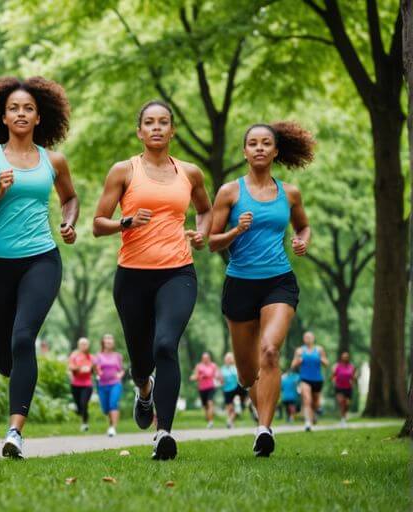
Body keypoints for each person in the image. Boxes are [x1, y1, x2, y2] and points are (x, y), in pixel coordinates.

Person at [92, 100, 212, 460]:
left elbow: (205, 210)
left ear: (172, 130)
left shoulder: (190, 173)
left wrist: (202, 232)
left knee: (165, 346)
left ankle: (164, 433)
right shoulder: (123, 171)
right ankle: (144, 389)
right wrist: (125, 222)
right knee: (142, 361)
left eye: (163, 122)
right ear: (139, 131)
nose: (157, 128)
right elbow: (98, 223)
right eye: (149, 122)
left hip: (178, 272)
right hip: (132, 276)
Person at [0, 75, 79, 458]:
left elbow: (69, 198)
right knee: (5, 355)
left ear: (39, 117)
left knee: (22, 339)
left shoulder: (54, 160)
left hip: (41, 259)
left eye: (28, 108)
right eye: (14, 108)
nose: (21, 113)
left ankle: (15, 431)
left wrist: (68, 222)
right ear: (2, 116)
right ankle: (9, 369)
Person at [209, 120, 313, 455]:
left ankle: (264, 429)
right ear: (244, 151)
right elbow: (211, 242)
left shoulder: (290, 193)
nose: (259, 148)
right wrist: (235, 231)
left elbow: (304, 226)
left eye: (266, 143)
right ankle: (260, 415)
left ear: (276, 150)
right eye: (253, 143)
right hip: (240, 284)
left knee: (270, 350)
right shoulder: (230, 192)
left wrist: (301, 240)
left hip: (278, 282)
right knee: (245, 374)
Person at [291, 332, 328, 432]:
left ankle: (314, 415)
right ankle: (308, 422)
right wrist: (298, 360)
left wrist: (321, 359)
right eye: (306, 337)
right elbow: (293, 365)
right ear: (304, 339)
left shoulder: (319, 349)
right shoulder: (300, 350)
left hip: (317, 379)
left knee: (315, 403)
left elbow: (326, 363)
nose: (308, 339)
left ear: (313, 338)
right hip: (304, 379)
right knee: (307, 399)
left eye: (310, 337)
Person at [95, 334, 125, 437]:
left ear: (113, 343)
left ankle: (113, 428)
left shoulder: (118, 356)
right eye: (106, 339)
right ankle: (111, 425)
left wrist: (120, 375)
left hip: (115, 383)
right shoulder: (98, 356)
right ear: (103, 342)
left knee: (113, 404)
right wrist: (98, 372)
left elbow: (121, 370)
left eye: (110, 339)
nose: (109, 341)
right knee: (105, 408)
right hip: (102, 385)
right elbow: (96, 368)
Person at [67, 338, 95, 432]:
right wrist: (79, 368)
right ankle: (79, 411)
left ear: (88, 345)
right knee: (79, 407)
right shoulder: (74, 355)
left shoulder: (91, 357)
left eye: (85, 344)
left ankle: (84, 423)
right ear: (78, 345)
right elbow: (70, 366)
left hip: (87, 385)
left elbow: (94, 367)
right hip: (75, 384)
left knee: (84, 404)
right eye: (82, 344)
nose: (84, 346)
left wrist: (90, 368)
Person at [190, 352, 220, 429]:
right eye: (204, 358)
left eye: (207, 358)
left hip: (211, 387)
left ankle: (211, 422)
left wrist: (217, 376)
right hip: (202, 389)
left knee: (210, 403)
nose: (206, 360)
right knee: (205, 406)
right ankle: (209, 419)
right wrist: (199, 376)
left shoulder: (213, 366)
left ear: (209, 358)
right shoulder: (199, 366)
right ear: (202, 359)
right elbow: (195, 376)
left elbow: (217, 374)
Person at [331, 351, 358, 426]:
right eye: (344, 356)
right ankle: (342, 419)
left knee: (347, 404)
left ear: (348, 358)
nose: (345, 358)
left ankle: (344, 416)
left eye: (346, 357)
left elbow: (354, 377)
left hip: (348, 388)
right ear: (341, 357)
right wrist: (333, 381)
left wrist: (354, 380)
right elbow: (333, 376)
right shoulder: (337, 366)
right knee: (341, 402)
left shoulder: (351, 366)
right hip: (339, 387)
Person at [221, 352, 244, 428]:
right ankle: (231, 422)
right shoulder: (223, 368)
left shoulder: (236, 367)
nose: (228, 360)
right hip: (227, 390)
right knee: (230, 408)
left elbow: (240, 378)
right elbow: (221, 380)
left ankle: (229, 421)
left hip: (236, 389)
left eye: (230, 358)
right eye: (227, 358)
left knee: (236, 407)